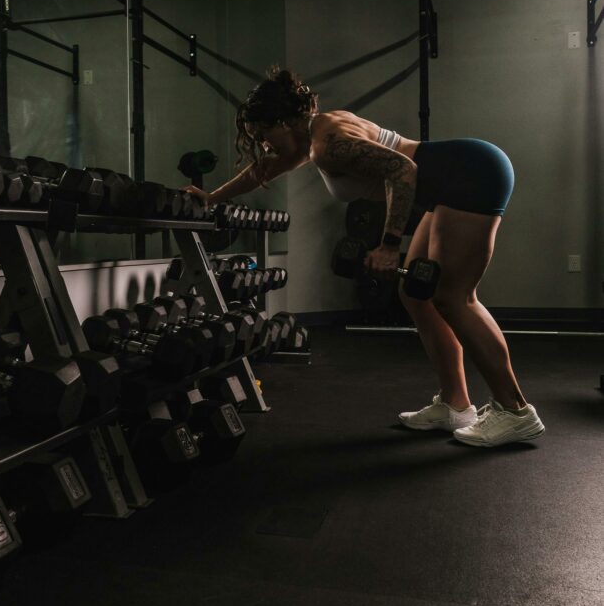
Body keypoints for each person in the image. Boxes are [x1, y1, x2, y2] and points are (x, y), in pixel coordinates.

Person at [186, 67, 545, 447]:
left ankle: (515, 411)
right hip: (452, 181)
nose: (264, 146)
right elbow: (263, 170)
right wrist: (211, 199)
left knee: (453, 298)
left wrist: (389, 245)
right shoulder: (312, 134)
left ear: (283, 122)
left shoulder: (329, 143)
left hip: (471, 174)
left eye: (264, 136)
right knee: (415, 293)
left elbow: (402, 170)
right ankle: (456, 405)